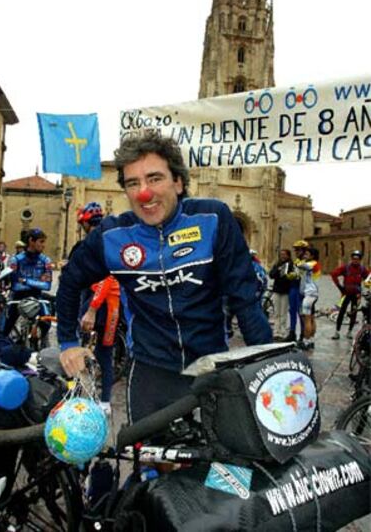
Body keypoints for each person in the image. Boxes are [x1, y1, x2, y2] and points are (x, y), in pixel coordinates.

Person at [56, 132, 272, 422]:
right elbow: (69, 281)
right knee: (152, 464)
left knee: (218, 465)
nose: (144, 192)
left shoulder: (213, 218)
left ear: (178, 182)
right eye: (133, 183)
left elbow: (245, 300)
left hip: (210, 368)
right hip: (150, 372)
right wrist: (68, 343)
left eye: (155, 178)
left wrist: (270, 361)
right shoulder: (113, 235)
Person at [73, 202, 121, 414]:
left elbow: (107, 278)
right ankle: (91, 396)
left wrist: (91, 309)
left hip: (104, 304)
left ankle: (104, 401)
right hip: (94, 298)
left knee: (103, 352)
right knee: (91, 351)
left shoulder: (104, 242)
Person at [4, 228, 53, 335]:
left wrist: (26, 281)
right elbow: (15, 285)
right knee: (4, 328)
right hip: (18, 298)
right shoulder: (16, 260)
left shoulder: (46, 260)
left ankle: (42, 345)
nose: (44, 245)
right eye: (41, 242)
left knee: (46, 324)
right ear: (31, 241)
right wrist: (36, 283)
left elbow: (47, 286)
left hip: (37, 297)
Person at [330, 250, 370, 340]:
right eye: (353, 259)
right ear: (351, 259)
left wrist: (367, 287)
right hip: (346, 294)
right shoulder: (346, 268)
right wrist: (340, 287)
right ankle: (337, 332)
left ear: (360, 260)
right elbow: (333, 274)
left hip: (356, 295)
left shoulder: (362, 269)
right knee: (341, 312)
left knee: (353, 313)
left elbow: (369, 278)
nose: (355, 260)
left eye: (357, 259)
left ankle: (350, 332)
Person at [296, 246, 321, 350]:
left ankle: (306, 342)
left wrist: (298, 260)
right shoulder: (313, 264)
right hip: (312, 294)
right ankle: (311, 340)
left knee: (306, 319)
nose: (304, 256)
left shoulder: (313, 263)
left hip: (310, 294)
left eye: (306, 254)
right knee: (311, 318)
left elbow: (300, 264)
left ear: (312, 256)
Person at [283, 239, 308, 342]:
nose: (296, 252)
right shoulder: (295, 262)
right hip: (293, 288)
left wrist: (295, 275)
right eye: (295, 250)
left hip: (301, 289)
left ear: (304, 250)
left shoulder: (307, 262)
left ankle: (302, 334)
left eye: (298, 250)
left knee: (301, 312)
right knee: (292, 311)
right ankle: (292, 332)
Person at [269, 249, 294, 339]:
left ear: (288, 255)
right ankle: (276, 331)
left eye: (284, 254)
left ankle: (283, 331)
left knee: (283, 312)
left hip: (286, 291)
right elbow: (271, 275)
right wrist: (278, 270)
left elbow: (291, 277)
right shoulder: (277, 264)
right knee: (276, 312)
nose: (282, 256)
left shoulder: (291, 265)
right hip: (277, 290)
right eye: (281, 254)